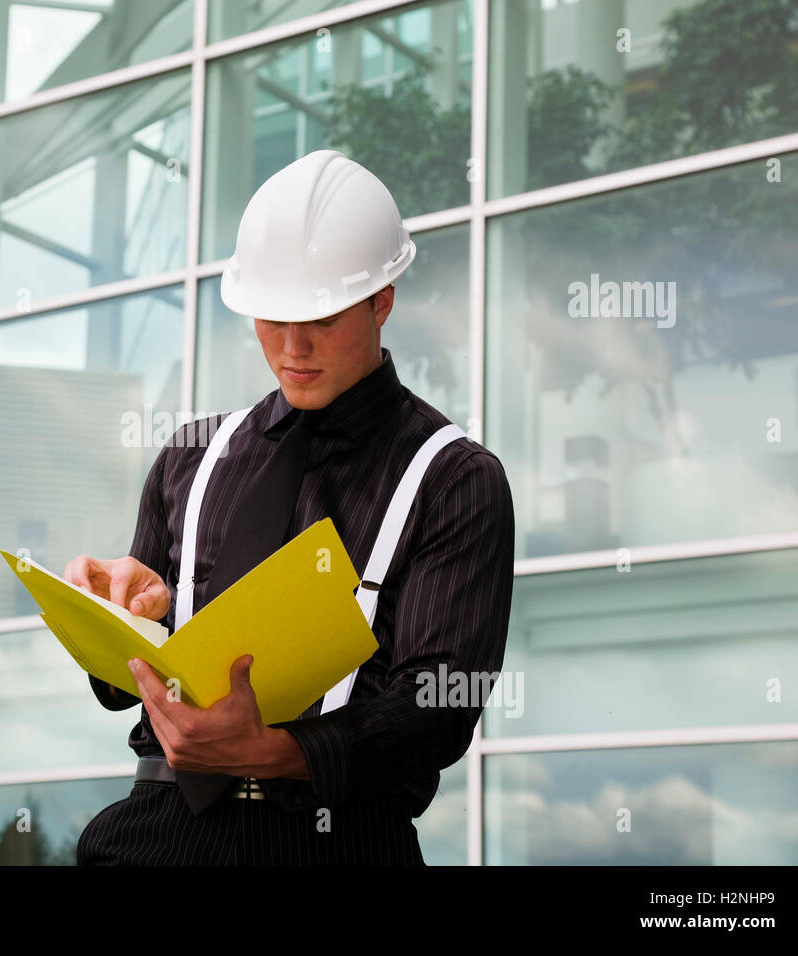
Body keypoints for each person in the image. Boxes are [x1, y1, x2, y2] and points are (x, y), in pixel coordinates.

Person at [63, 149, 515, 865]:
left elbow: (440, 707)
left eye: (323, 318)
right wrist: (123, 618)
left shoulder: (453, 480)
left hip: (334, 845)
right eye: (271, 317)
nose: (293, 346)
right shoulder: (190, 458)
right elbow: (120, 693)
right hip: (152, 833)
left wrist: (280, 752)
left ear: (382, 300)